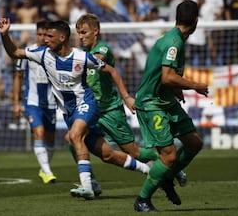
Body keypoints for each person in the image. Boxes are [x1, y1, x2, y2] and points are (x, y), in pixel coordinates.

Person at [0, 19, 150, 200]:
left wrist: (126, 97)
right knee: (108, 155)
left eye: (49, 36)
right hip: (70, 113)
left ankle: (87, 187)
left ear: (62, 38)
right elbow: (14, 52)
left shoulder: (82, 57)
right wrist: (4, 35)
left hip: (87, 104)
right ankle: (151, 171)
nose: (45, 39)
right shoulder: (42, 54)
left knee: (74, 136)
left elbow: (112, 71)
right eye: (44, 36)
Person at [73, 13, 187, 195]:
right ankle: (90, 182)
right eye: (78, 32)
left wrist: (126, 97)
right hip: (89, 110)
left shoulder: (102, 49)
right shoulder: (81, 54)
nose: (80, 36)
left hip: (109, 110)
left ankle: (172, 166)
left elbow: (102, 63)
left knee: (135, 152)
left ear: (96, 31)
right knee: (73, 138)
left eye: (84, 32)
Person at [133, 0, 209, 212]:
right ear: (196, 20)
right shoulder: (174, 42)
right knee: (169, 156)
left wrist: (176, 88)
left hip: (166, 100)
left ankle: (165, 176)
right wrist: (194, 85)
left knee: (194, 143)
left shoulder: (174, 39)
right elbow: (167, 77)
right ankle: (142, 200)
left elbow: (163, 74)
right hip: (151, 103)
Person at [13, 20, 58, 184]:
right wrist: (16, 103)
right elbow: (18, 77)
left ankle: (44, 167)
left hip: (52, 103)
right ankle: (47, 171)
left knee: (51, 140)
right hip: (32, 102)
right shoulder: (28, 52)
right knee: (38, 133)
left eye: (45, 35)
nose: (42, 38)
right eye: (39, 34)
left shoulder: (56, 53)